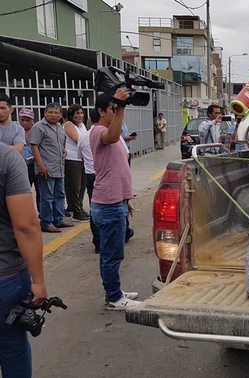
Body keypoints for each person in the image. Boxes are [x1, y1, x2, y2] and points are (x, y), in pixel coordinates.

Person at [0, 142, 47, 378]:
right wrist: (38, 280)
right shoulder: (7, 158)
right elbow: (26, 226)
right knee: (11, 350)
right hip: (4, 277)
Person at [90, 90, 140, 310]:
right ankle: (114, 297)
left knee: (111, 253)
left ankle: (115, 291)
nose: (118, 113)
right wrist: (120, 103)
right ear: (101, 112)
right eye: (113, 109)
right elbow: (110, 137)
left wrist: (125, 199)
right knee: (112, 255)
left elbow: (118, 169)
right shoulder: (99, 131)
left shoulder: (115, 133)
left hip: (115, 202)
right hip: (108, 204)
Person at [30, 103, 74, 233]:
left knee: (60, 195)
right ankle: (46, 222)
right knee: (47, 197)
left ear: (61, 115)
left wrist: (64, 150)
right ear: (45, 113)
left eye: (57, 113)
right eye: (51, 112)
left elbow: (59, 145)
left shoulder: (60, 128)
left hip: (59, 167)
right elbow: (34, 147)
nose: (54, 115)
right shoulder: (39, 127)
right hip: (46, 168)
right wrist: (41, 166)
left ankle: (58, 220)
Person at [78, 109, 101, 254]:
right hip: (105, 176)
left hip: (90, 175)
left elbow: (80, 155)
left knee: (95, 209)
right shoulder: (111, 135)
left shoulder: (83, 135)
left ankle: (98, 242)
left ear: (90, 120)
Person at [63, 104, 90, 222]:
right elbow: (78, 140)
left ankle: (79, 207)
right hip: (72, 159)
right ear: (71, 114)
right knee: (75, 186)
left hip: (82, 159)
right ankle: (76, 211)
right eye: (77, 113)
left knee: (82, 185)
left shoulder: (82, 125)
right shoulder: (68, 125)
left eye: (81, 113)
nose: (79, 115)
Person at [18, 109, 40, 213]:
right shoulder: (16, 131)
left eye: (28, 120)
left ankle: (43, 218)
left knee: (41, 193)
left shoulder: (38, 130)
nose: (25, 122)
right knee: (23, 193)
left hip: (37, 165)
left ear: (33, 120)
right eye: (23, 120)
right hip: (21, 166)